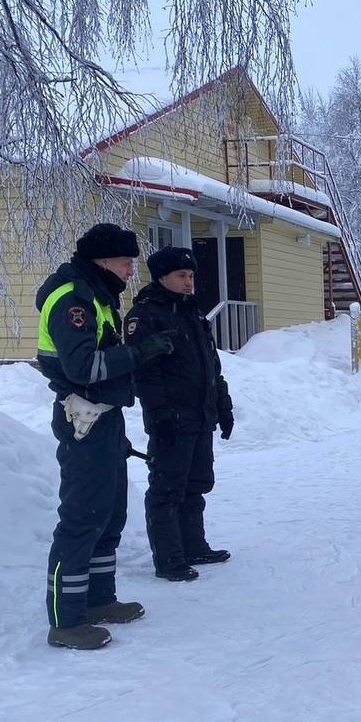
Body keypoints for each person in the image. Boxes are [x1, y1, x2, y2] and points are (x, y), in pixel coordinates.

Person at [36, 223, 176, 650]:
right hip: (84, 418)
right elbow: (83, 368)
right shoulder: (73, 300)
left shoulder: (97, 296)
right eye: (126, 261)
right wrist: (139, 352)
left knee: (110, 513)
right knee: (82, 517)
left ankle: (98, 600)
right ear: (103, 260)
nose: (132, 270)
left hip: (104, 416)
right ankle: (66, 620)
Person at [127, 245, 235, 581]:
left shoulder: (193, 314)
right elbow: (145, 373)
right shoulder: (145, 316)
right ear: (162, 277)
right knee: (167, 488)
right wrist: (159, 414)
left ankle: (194, 546)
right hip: (171, 419)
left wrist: (223, 405)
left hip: (200, 416)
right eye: (181, 276)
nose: (189, 282)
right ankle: (169, 558)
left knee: (196, 484)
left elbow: (211, 367)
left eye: (191, 276)